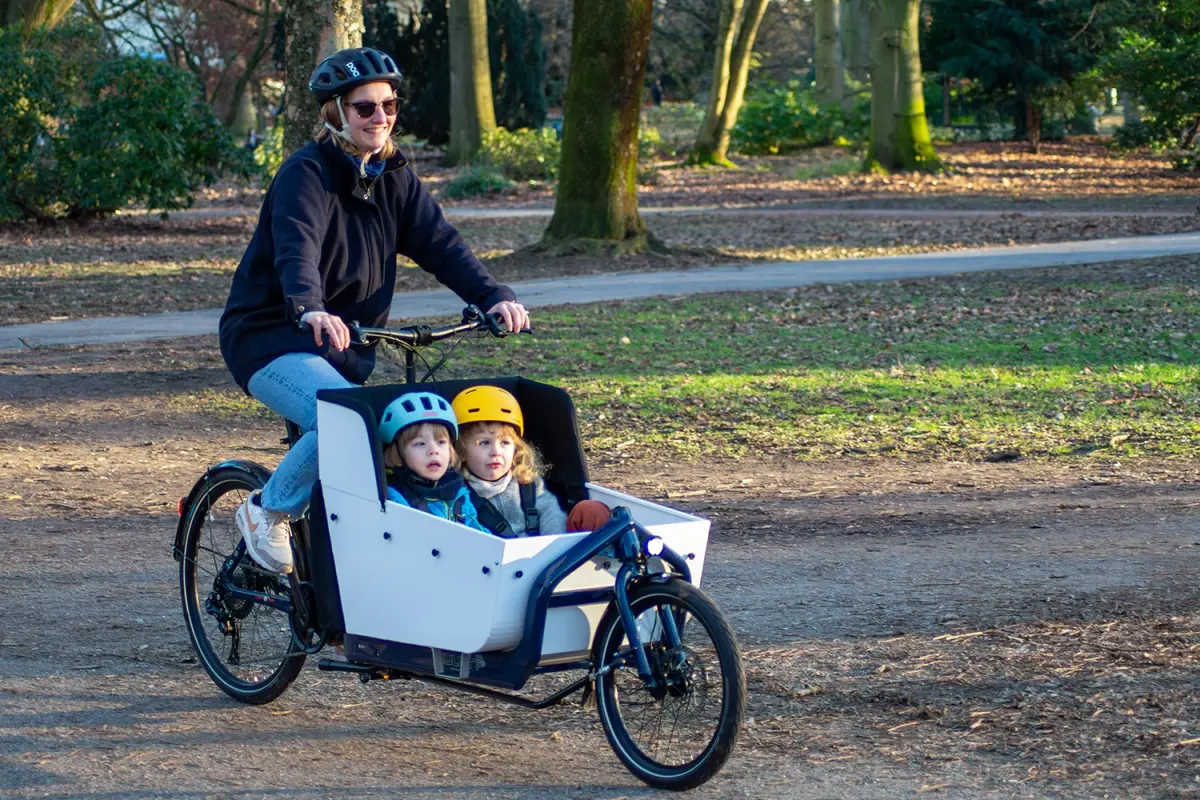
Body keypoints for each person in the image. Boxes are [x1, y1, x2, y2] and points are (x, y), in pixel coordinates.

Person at [220, 47, 529, 574]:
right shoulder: (305, 174)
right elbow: (297, 249)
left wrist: (493, 296)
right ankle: (266, 511)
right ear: (337, 113)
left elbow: (441, 244)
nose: (380, 117)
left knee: (382, 439)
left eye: (389, 105)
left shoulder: (394, 177)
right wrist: (309, 307)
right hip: (271, 337)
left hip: (347, 343)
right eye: (365, 108)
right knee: (343, 423)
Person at [452, 386, 611, 535]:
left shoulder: (529, 485)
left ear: (516, 449)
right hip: (489, 553)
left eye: (505, 443)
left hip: (544, 551)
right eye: (484, 443)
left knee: (591, 510)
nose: (496, 452)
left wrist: (552, 546)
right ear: (461, 451)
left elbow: (552, 515)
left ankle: (609, 551)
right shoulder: (456, 494)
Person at [377, 392, 490, 531]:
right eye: (420, 444)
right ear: (398, 453)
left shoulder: (458, 491)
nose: (433, 450)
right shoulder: (395, 497)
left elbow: (479, 533)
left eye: (441, 442)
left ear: (450, 450)